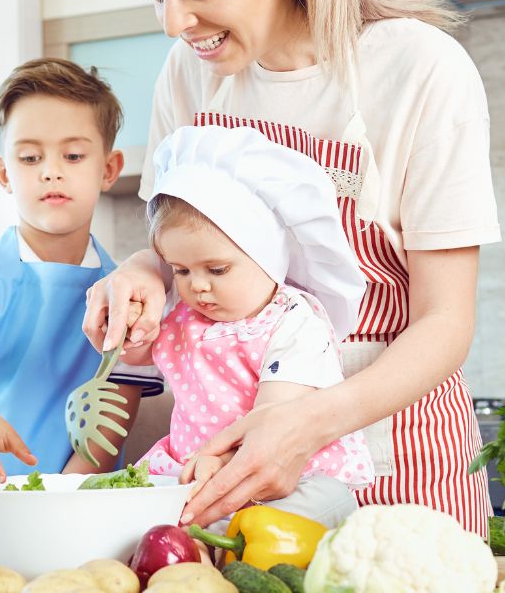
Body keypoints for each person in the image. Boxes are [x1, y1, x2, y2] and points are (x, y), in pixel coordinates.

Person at [85, 0, 500, 535]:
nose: (173, 23)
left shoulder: (420, 68)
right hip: (234, 451)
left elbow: (446, 322)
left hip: (396, 442)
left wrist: (307, 423)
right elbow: (176, 238)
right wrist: (142, 271)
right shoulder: (188, 75)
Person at [126, 125, 373, 528]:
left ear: (268, 256)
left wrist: (222, 462)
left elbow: (276, 414)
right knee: (136, 517)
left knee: (305, 508)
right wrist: (132, 331)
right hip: (194, 472)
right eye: (181, 270)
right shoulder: (184, 318)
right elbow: (140, 358)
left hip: (287, 477)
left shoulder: (294, 322)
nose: (197, 285)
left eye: (217, 269)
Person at [0, 58, 162, 490]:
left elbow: (114, 423)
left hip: (81, 499)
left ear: (108, 169)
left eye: (73, 155)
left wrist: (55, 499)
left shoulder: (130, 295)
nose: (50, 170)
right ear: (4, 173)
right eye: (30, 157)